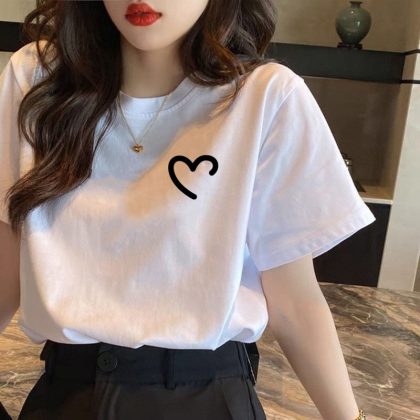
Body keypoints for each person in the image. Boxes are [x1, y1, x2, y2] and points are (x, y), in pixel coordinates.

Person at [0, 0, 372, 419]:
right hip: (65, 397)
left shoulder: (266, 96)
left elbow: (294, 301)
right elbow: (6, 266)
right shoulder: (38, 80)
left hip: (207, 398)